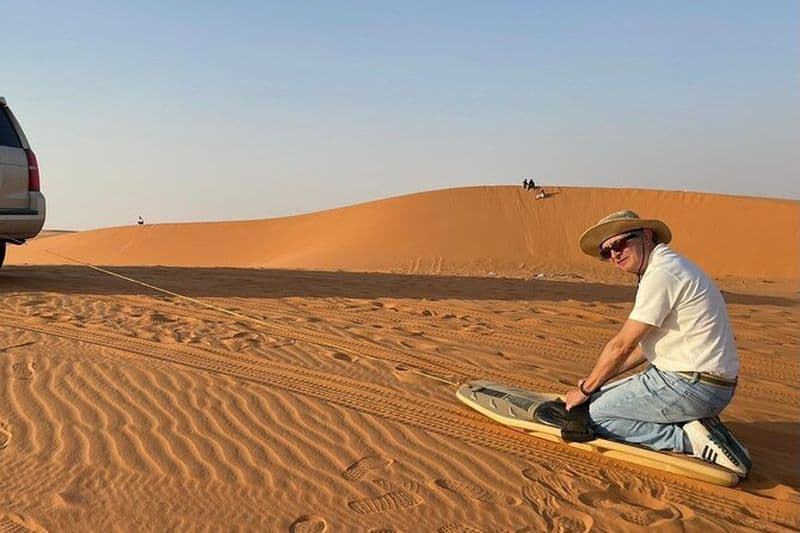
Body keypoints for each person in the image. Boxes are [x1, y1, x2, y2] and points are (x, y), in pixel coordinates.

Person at [566, 210, 751, 477]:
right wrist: (599, 381)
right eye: (606, 252)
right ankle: (697, 422)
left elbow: (622, 345)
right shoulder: (667, 266)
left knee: (592, 416)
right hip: (704, 384)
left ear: (647, 236)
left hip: (691, 385)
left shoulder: (662, 273)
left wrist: (586, 389)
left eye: (619, 244)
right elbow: (644, 347)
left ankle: (689, 441)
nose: (615, 254)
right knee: (597, 395)